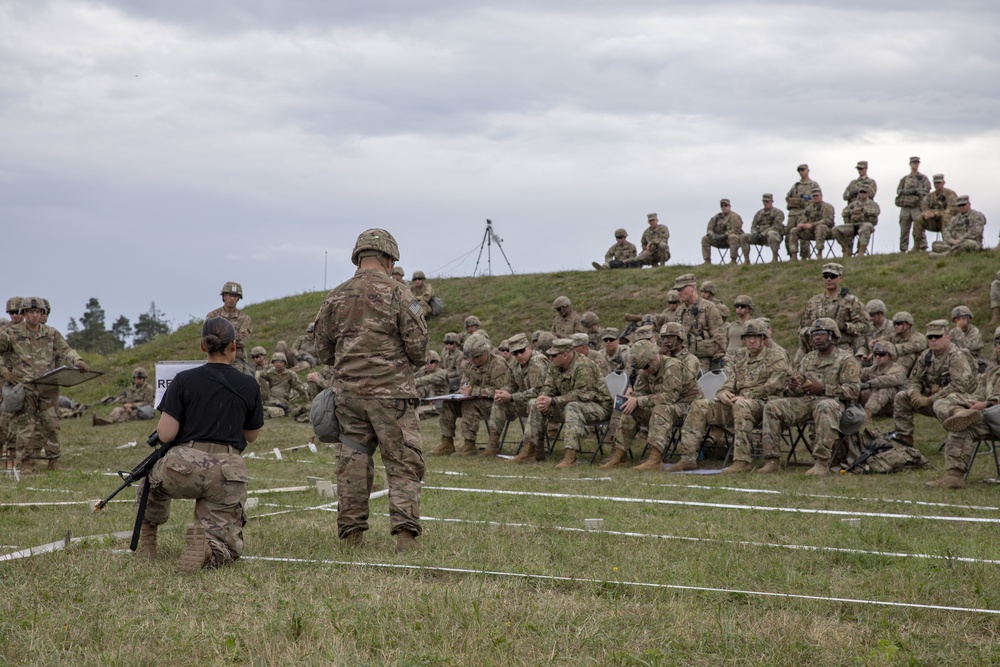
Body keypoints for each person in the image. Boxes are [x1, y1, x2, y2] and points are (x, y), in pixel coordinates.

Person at [314, 228, 429, 551]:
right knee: (403, 461)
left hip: (348, 396)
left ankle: (352, 535)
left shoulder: (335, 295)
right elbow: (419, 348)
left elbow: (323, 348)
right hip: (392, 397)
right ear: (389, 258)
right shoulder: (401, 294)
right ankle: (405, 536)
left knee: (352, 462)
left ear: (359, 257)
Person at [135, 317, 264, 573]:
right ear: (234, 347)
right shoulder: (249, 384)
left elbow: (166, 433)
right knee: (227, 543)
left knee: (150, 483)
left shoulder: (183, 380)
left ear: (203, 346)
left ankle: (147, 541)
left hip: (183, 467)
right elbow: (252, 435)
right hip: (227, 473)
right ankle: (209, 550)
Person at [678, 320, 790, 474]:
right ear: (743, 340)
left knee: (741, 406)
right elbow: (727, 384)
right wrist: (723, 394)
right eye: (748, 337)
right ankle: (687, 458)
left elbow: (774, 385)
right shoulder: (741, 359)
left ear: (763, 338)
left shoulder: (776, 356)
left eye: (756, 337)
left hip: (766, 405)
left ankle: (742, 461)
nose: (751, 341)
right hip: (738, 403)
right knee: (699, 405)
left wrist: (747, 396)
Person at [760, 318, 861, 476]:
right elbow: (798, 387)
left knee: (824, 406)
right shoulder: (808, 359)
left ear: (833, 336)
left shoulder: (846, 359)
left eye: (821, 333)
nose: (817, 337)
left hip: (834, 403)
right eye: (814, 334)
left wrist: (823, 388)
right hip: (806, 401)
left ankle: (822, 462)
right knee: (772, 406)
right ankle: (772, 460)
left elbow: (854, 391)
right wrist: (793, 387)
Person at [0, 296, 88, 473]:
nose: (34, 315)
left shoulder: (51, 333)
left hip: (48, 387)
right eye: (31, 312)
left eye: (37, 312)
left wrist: (77, 360)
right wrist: (5, 373)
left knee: (51, 425)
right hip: (26, 388)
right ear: (24, 313)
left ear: (42, 313)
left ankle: (54, 461)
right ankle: (25, 463)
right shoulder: (11, 334)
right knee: (26, 427)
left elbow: (65, 349)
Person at [515, 338, 612, 468]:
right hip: (569, 405)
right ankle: (530, 451)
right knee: (534, 403)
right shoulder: (554, 366)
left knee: (573, 406)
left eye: (554, 355)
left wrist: (553, 400)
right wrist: (543, 397)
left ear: (565, 355)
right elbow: (549, 386)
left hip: (598, 406)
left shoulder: (583, 365)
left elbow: (581, 394)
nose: (551, 357)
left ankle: (571, 457)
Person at [601, 339, 695, 471]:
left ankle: (655, 459)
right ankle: (619, 456)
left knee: (660, 410)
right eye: (642, 368)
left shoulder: (672, 366)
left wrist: (638, 401)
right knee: (629, 409)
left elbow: (669, 397)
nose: (645, 371)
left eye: (646, 367)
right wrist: (632, 399)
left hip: (687, 407)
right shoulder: (645, 371)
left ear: (653, 359)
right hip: (666, 407)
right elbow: (640, 392)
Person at [931, 327, 1000, 488]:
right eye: (998, 342)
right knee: (959, 420)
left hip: (992, 413)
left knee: (965, 420)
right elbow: (978, 395)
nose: (999, 347)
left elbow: (987, 401)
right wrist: (969, 404)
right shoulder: (990, 374)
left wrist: (987, 404)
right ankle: (954, 476)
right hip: (988, 418)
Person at [890, 320, 977, 447]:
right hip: (933, 398)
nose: (933, 340)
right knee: (902, 397)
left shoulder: (957, 355)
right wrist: (915, 394)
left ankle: (959, 440)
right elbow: (914, 379)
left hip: (959, 400)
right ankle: (905, 440)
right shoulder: (926, 355)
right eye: (930, 337)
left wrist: (929, 400)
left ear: (947, 337)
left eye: (937, 336)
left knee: (942, 403)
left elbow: (959, 386)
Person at [795, 263, 870, 363]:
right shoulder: (813, 302)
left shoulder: (850, 301)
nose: (829, 279)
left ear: (840, 278)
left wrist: (845, 327)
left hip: (841, 353)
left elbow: (866, 327)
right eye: (825, 276)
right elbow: (802, 328)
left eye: (833, 276)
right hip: (816, 354)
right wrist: (813, 331)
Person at [491, 333, 548, 458]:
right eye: (515, 353)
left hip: (544, 404)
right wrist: (502, 392)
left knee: (533, 403)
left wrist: (511, 397)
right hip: (523, 401)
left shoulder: (537, 362)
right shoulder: (515, 364)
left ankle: (530, 449)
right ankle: (492, 444)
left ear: (529, 348)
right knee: (499, 401)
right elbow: (511, 385)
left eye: (521, 351)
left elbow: (538, 392)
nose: (519, 355)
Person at [454, 332, 510, 456]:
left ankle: (471, 444)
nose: (473, 361)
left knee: (470, 404)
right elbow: (465, 383)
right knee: (449, 404)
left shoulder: (498, 364)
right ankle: (446, 442)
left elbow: (502, 391)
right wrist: (462, 391)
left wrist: (473, 391)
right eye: (471, 358)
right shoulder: (470, 364)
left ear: (485, 353)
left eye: (477, 357)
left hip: (497, 403)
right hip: (479, 401)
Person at [673, 273, 726, 372]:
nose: (678, 293)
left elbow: (719, 337)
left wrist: (716, 363)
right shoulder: (679, 311)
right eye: (677, 290)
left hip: (703, 362)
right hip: (682, 361)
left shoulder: (709, 308)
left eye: (681, 289)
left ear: (693, 287)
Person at [206, 282, 253, 375]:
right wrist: (234, 335)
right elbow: (208, 339)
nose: (232, 299)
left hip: (237, 361)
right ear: (224, 296)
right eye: (229, 295)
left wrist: (219, 335)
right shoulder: (212, 316)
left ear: (238, 298)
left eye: (235, 296)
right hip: (215, 360)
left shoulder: (245, 318)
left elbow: (242, 341)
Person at [859, 341, 907, 421]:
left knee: (884, 388)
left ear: (890, 355)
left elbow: (892, 379)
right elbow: (860, 374)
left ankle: (867, 415)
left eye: (881, 354)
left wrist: (871, 383)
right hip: (879, 405)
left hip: (895, 406)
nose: (877, 357)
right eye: (875, 354)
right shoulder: (874, 369)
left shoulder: (898, 369)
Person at [895, 156, 931, 252]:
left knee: (919, 227)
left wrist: (916, 191)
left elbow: (927, 189)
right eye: (913, 163)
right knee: (904, 229)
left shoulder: (923, 178)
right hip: (905, 207)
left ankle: (923, 247)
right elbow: (898, 190)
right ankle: (903, 249)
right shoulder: (905, 179)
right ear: (910, 164)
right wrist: (906, 192)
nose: (915, 164)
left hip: (917, 207)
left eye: (917, 163)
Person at [258, 352, 309, 418]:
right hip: (270, 399)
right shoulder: (270, 372)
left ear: (285, 363)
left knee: (278, 411)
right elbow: (259, 374)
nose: (278, 364)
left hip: (282, 401)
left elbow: (299, 387)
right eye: (276, 362)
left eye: (281, 362)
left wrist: (306, 400)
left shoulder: (290, 374)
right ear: (273, 363)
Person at [784, 164, 820, 259]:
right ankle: (792, 255)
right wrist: (792, 202)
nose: (801, 172)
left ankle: (805, 256)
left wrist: (803, 202)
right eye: (799, 170)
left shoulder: (813, 185)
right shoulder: (796, 186)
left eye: (803, 170)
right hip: (793, 214)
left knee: (804, 234)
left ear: (808, 170)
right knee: (789, 234)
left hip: (805, 213)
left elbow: (817, 198)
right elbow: (788, 198)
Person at [788, 187, 835, 261]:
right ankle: (793, 255)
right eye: (814, 196)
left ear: (821, 196)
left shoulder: (827, 207)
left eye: (817, 196)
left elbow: (828, 221)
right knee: (794, 230)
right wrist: (801, 224)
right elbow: (802, 218)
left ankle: (819, 253)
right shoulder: (808, 208)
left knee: (820, 227)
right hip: (810, 232)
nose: (815, 198)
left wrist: (813, 225)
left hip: (826, 231)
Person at [834, 186, 880, 257]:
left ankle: (861, 251)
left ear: (867, 194)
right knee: (835, 229)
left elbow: (876, 212)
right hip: (852, 225)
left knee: (865, 227)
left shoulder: (873, 204)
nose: (862, 194)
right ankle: (846, 248)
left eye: (864, 192)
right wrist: (852, 211)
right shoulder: (853, 204)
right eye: (860, 192)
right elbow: (844, 212)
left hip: (865, 224)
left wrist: (863, 210)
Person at [742, 194, 785, 264]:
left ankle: (775, 258)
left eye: (767, 201)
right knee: (744, 237)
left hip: (772, 235)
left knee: (772, 234)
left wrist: (763, 234)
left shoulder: (778, 213)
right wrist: (755, 233)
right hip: (758, 235)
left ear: (772, 201)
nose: (765, 203)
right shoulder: (759, 213)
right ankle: (746, 260)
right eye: (764, 201)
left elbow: (776, 226)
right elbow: (753, 226)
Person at [917, 174, 957, 247]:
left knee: (945, 217)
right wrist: (926, 213)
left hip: (949, 222)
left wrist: (935, 214)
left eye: (939, 183)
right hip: (934, 222)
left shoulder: (950, 194)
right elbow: (923, 206)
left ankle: (947, 244)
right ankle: (917, 246)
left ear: (943, 182)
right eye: (935, 183)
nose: (937, 185)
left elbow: (951, 210)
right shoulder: (930, 196)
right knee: (918, 219)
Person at [701, 199, 744, 265]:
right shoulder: (716, 217)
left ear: (729, 206)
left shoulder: (735, 216)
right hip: (718, 239)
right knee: (705, 239)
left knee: (733, 237)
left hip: (731, 239)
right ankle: (707, 261)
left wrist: (725, 235)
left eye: (726, 205)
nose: (724, 207)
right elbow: (709, 228)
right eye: (722, 206)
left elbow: (736, 229)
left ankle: (733, 260)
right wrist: (712, 235)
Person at [857, 299, 892, 365]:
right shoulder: (867, 328)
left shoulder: (892, 328)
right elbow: (862, 345)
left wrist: (874, 354)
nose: (870, 318)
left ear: (880, 313)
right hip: (869, 363)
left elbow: (893, 349)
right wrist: (862, 354)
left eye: (872, 315)